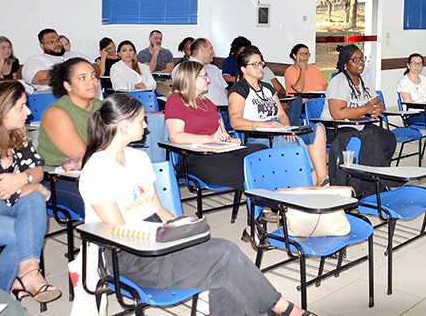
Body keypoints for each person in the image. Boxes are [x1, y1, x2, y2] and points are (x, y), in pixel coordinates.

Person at [78, 93, 314, 316]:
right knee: (223, 258)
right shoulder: (97, 169)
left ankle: (278, 308)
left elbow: (159, 211)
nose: (146, 126)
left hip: (156, 236)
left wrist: (182, 229)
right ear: (124, 125)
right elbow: (119, 234)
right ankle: (283, 308)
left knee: (222, 261)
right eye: (141, 121)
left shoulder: (138, 158)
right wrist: (168, 238)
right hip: (130, 255)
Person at [0, 80, 62, 304]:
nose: (28, 111)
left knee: (34, 200)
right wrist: (29, 185)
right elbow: (2, 190)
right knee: (25, 233)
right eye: (21, 107)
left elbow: (37, 170)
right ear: (2, 111)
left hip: (7, 208)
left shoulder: (16, 134)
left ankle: (27, 273)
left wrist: (23, 179)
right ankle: (21, 280)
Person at [228, 46, 329, 186]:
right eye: (254, 64)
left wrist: (286, 128)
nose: (260, 67)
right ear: (244, 69)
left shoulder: (267, 88)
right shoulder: (239, 89)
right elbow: (235, 121)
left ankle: (323, 180)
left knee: (317, 129)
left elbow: (281, 113)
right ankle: (308, 181)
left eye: (261, 63)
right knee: (290, 144)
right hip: (257, 133)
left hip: (277, 128)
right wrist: (265, 125)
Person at [165, 61, 265, 193]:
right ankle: (263, 204)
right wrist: (209, 138)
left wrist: (228, 139)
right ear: (190, 79)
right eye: (203, 76)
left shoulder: (208, 103)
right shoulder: (175, 101)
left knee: (261, 151)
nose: (208, 79)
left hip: (218, 151)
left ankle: (265, 199)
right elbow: (175, 136)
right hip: (194, 156)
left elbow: (221, 132)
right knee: (244, 166)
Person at [37, 58, 102, 217]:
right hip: (60, 178)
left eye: (93, 76)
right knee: (103, 202)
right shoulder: (56, 113)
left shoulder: (101, 106)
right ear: (67, 85)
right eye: (82, 78)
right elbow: (82, 153)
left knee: (140, 194)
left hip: (98, 170)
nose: (92, 82)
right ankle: (101, 240)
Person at [321, 44, 396, 162]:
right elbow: (338, 114)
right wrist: (366, 109)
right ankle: (366, 175)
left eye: (361, 58)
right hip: (336, 128)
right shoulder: (339, 82)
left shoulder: (364, 80)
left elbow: (377, 102)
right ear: (345, 64)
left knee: (388, 138)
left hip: (358, 125)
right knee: (369, 142)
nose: (360, 62)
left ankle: (379, 172)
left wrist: (378, 109)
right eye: (354, 60)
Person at [22, 28, 86, 93]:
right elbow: (40, 78)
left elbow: (95, 66)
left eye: (58, 40)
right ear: (42, 46)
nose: (57, 44)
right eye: (51, 42)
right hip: (52, 95)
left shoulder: (74, 54)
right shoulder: (37, 59)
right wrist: (75, 72)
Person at [172, 38, 229, 106]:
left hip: (225, 110)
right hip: (202, 111)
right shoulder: (183, 69)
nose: (213, 52)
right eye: (211, 48)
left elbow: (224, 91)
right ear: (202, 49)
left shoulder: (214, 69)